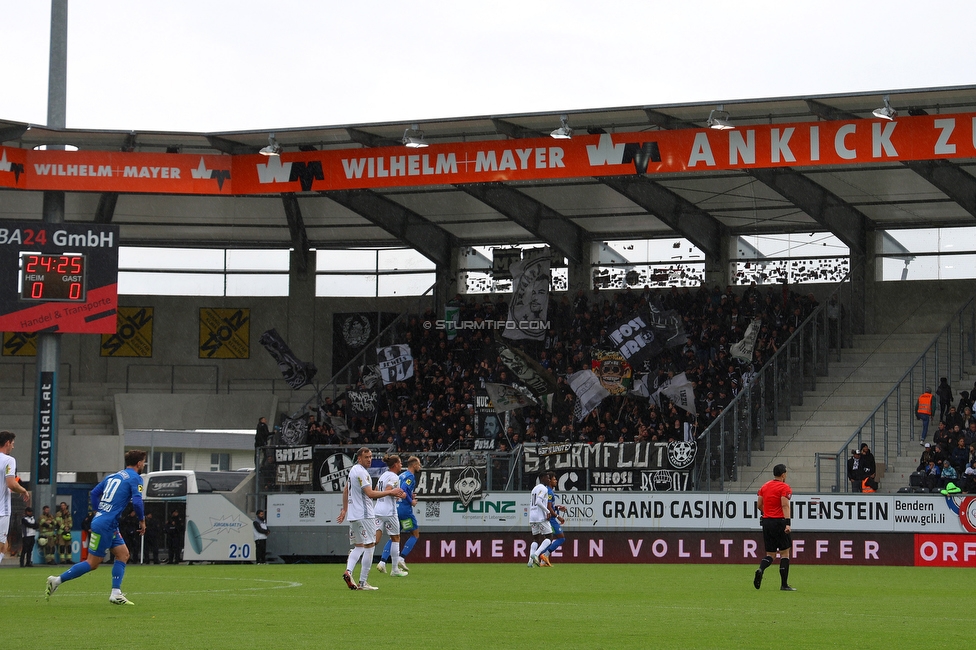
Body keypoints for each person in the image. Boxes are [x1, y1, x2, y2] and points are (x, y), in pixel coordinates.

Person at [46, 450, 148, 606]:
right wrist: (142, 521)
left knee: (123, 554)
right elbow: (137, 502)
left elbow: (94, 493)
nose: (144, 464)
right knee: (92, 563)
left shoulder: (113, 476)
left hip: (106, 522)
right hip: (106, 525)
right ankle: (57, 580)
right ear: (139, 463)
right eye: (144, 462)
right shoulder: (135, 478)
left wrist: (97, 511)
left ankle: (116, 593)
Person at [336, 447, 404, 591]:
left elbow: (346, 490)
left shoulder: (353, 470)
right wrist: (391, 491)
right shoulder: (362, 473)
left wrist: (344, 509)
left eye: (371, 456)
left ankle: (348, 571)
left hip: (354, 516)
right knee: (370, 546)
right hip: (365, 515)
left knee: (359, 546)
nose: (369, 459)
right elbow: (370, 494)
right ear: (359, 458)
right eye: (366, 457)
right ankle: (363, 582)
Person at [753, 463, 796, 591]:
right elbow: (785, 505)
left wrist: (767, 513)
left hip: (767, 522)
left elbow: (759, 504)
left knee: (770, 554)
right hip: (780, 522)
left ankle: (761, 569)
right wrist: (788, 523)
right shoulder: (784, 487)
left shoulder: (764, 486)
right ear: (783, 474)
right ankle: (784, 584)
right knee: (784, 553)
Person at [378, 455, 422, 574]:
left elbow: (403, 489)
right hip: (404, 511)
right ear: (413, 465)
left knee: (394, 536)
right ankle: (401, 558)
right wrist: (410, 500)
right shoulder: (410, 476)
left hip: (396, 509)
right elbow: (402, 489)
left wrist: (409, 494)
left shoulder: (401, 475)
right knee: (415, 534)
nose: (420, 466)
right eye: (418, 464)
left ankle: (382, 562)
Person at [374, 454, 408, 577]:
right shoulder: (394, 477)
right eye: (400, 463)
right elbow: (389, 490)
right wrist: (400, 495)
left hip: (377, 510)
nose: (401, 465)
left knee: (375, 540)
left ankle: (356, 550)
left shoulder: (383, 475)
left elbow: (376, 490)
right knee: (396, 538)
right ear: (395, 465)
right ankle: (395, 570)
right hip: (389, 512)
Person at [0, 431, 31, 565]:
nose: (13, 447)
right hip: (2, 511)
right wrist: (24, 490)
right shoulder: (8, 460)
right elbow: (11, 483)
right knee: (2, 546)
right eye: (12, 444)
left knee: (5, 543)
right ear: (7, 443)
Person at [540, 472, 567, 567]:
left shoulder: (548, 491)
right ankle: (544, 555)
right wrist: (558, 516)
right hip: (550, 519)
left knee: (548, 539)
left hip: (547, 519)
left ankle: (542, 561)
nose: (556, 481)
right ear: (550, 481)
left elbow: (550, 506)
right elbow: (549, 508)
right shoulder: (549, 492)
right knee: (561, 538)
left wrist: (559, 508)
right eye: (554, 479)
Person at [527, 472, 553, 567]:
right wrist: (547, 511)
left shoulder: (534, 489)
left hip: (532, 516)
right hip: (540, 517)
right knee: (549, 537)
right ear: (542, 478)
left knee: (536, 539)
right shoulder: (543, 488)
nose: (549, 480)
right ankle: (536, 554)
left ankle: (530, 562)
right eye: (547, 478)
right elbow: (538, 501)